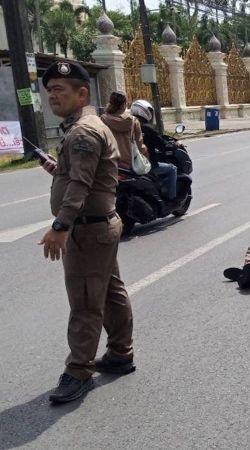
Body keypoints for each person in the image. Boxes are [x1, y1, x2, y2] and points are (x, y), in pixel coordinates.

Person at [38, 61, 135, 404]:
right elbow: (82, 177)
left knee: (84, 302)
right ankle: (121, 353)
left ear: (82, 94)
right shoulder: (86, 126)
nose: (52, 95)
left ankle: (78, 371)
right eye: (49, 90)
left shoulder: (82, 131)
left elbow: (79, 185)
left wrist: (60, 226)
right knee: (109, 292)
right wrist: (54, 167)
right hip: (100, 225)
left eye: (59, 90)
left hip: (86, 231)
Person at [130, 99, 177, 200]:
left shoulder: (126, 125)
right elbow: (163, 145)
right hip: (144, 165)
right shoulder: (147, 128)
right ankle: (170, 198)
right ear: (143, 111)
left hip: (127, 164)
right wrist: (174, 145)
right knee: (172, 169)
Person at [100, 91, 148, 172]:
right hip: (128, 166)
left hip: (109, 165)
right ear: (123, 105)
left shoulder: (102, 120)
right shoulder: (133, 121)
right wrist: (146, 150)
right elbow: (139, 145)